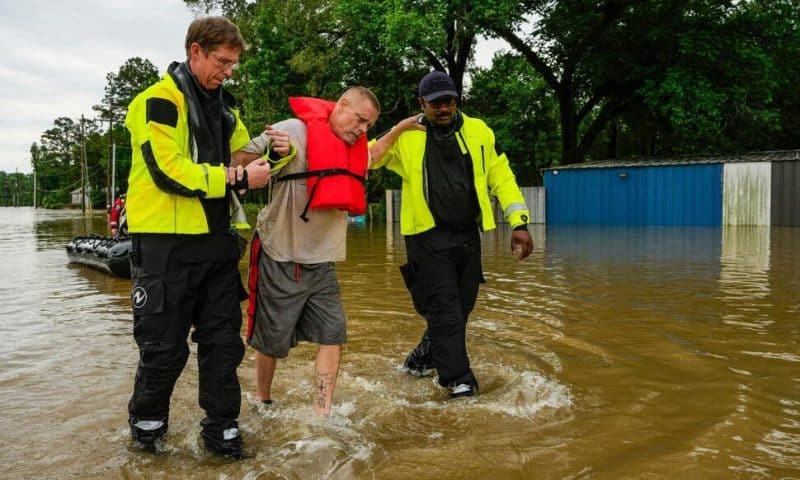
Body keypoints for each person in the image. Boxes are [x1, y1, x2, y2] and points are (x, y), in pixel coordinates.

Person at [123, 16, 273, 459]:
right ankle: (146, 434)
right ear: (196, 52)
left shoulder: (227, 110)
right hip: (164, 247)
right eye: (222, 61)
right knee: (163, 349)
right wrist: (238, 175)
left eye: (233, 64)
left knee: (223, 345)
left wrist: (272, 151)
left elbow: (244, 158)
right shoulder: (157, 102)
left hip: (216, 245)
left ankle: (222, 431)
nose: (228, 71)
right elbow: (168, 170)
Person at [369, 71, 534, 398]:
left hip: (467, 237)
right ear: (422, 103)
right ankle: (458, 381)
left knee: (461, 309)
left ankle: (419, 361)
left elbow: (501, 176)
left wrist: (519, 222)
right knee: (444, 309)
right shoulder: (407, 137)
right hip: (426, 239)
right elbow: (368, 158)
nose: (444, 108)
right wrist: (400, 127)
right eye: (435, 103)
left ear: (457, 100)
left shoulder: (479, 131)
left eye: (449, 101)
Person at [235, 87, 380, 416]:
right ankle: (263, 400)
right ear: (342, 105)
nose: (363, 130)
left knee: (333, 334)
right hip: (278, 253)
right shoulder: (292, 130)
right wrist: (273, 153)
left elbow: (377, 152)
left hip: (322, 262)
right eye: (360, 120)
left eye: (369, 125)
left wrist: (400, 129)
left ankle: (322, 411)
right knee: (269, 341)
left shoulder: (354, 149)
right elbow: (239, 162)